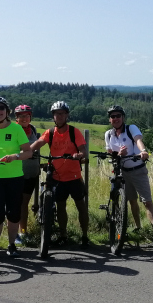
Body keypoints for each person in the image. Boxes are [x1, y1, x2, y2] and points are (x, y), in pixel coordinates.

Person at [29, 100, 89, 247]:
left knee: (81, 206)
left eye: (62, 113)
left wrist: (78, 155)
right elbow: (37, 144)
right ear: (53, 116)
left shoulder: (74, 132)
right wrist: (25, 152)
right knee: (61, 207)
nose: (59, 116)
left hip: (74, 177)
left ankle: (85, 236)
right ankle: (63, 235)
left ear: (67, 115)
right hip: (58, 177)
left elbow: (84, 151)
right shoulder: (50, 133)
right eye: (56, 114)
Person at [0, 96, 33, 261]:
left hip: (14, 178)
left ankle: (11, 245)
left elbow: (28, 152)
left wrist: (15, 156)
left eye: (1, 108)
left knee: (13, 214)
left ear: (7, 111)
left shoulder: (17, 129)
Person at [104, 105, 153, 247]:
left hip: (138, 170)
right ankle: (138, 228)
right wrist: (117, 154)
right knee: (131, 201)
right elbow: (109, 151)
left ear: (123, 117)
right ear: (110, 119)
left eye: (118, 116)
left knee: (147, 202)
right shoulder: (108, 134)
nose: (116, 119)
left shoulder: (131, 129)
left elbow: (138, 140)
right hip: (122, 172)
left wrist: (143, 151)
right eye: (113, 116)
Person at [13, 104, 41, 246]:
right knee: (16, 204)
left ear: (30, 117)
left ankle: (23, 231)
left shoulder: (34, 130)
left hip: (31, 174)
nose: (24, 118)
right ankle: (14, 234)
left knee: (24, 204)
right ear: (16, 118)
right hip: (16, 173)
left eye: (27, 115)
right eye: (21, 116)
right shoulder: (13, 130)